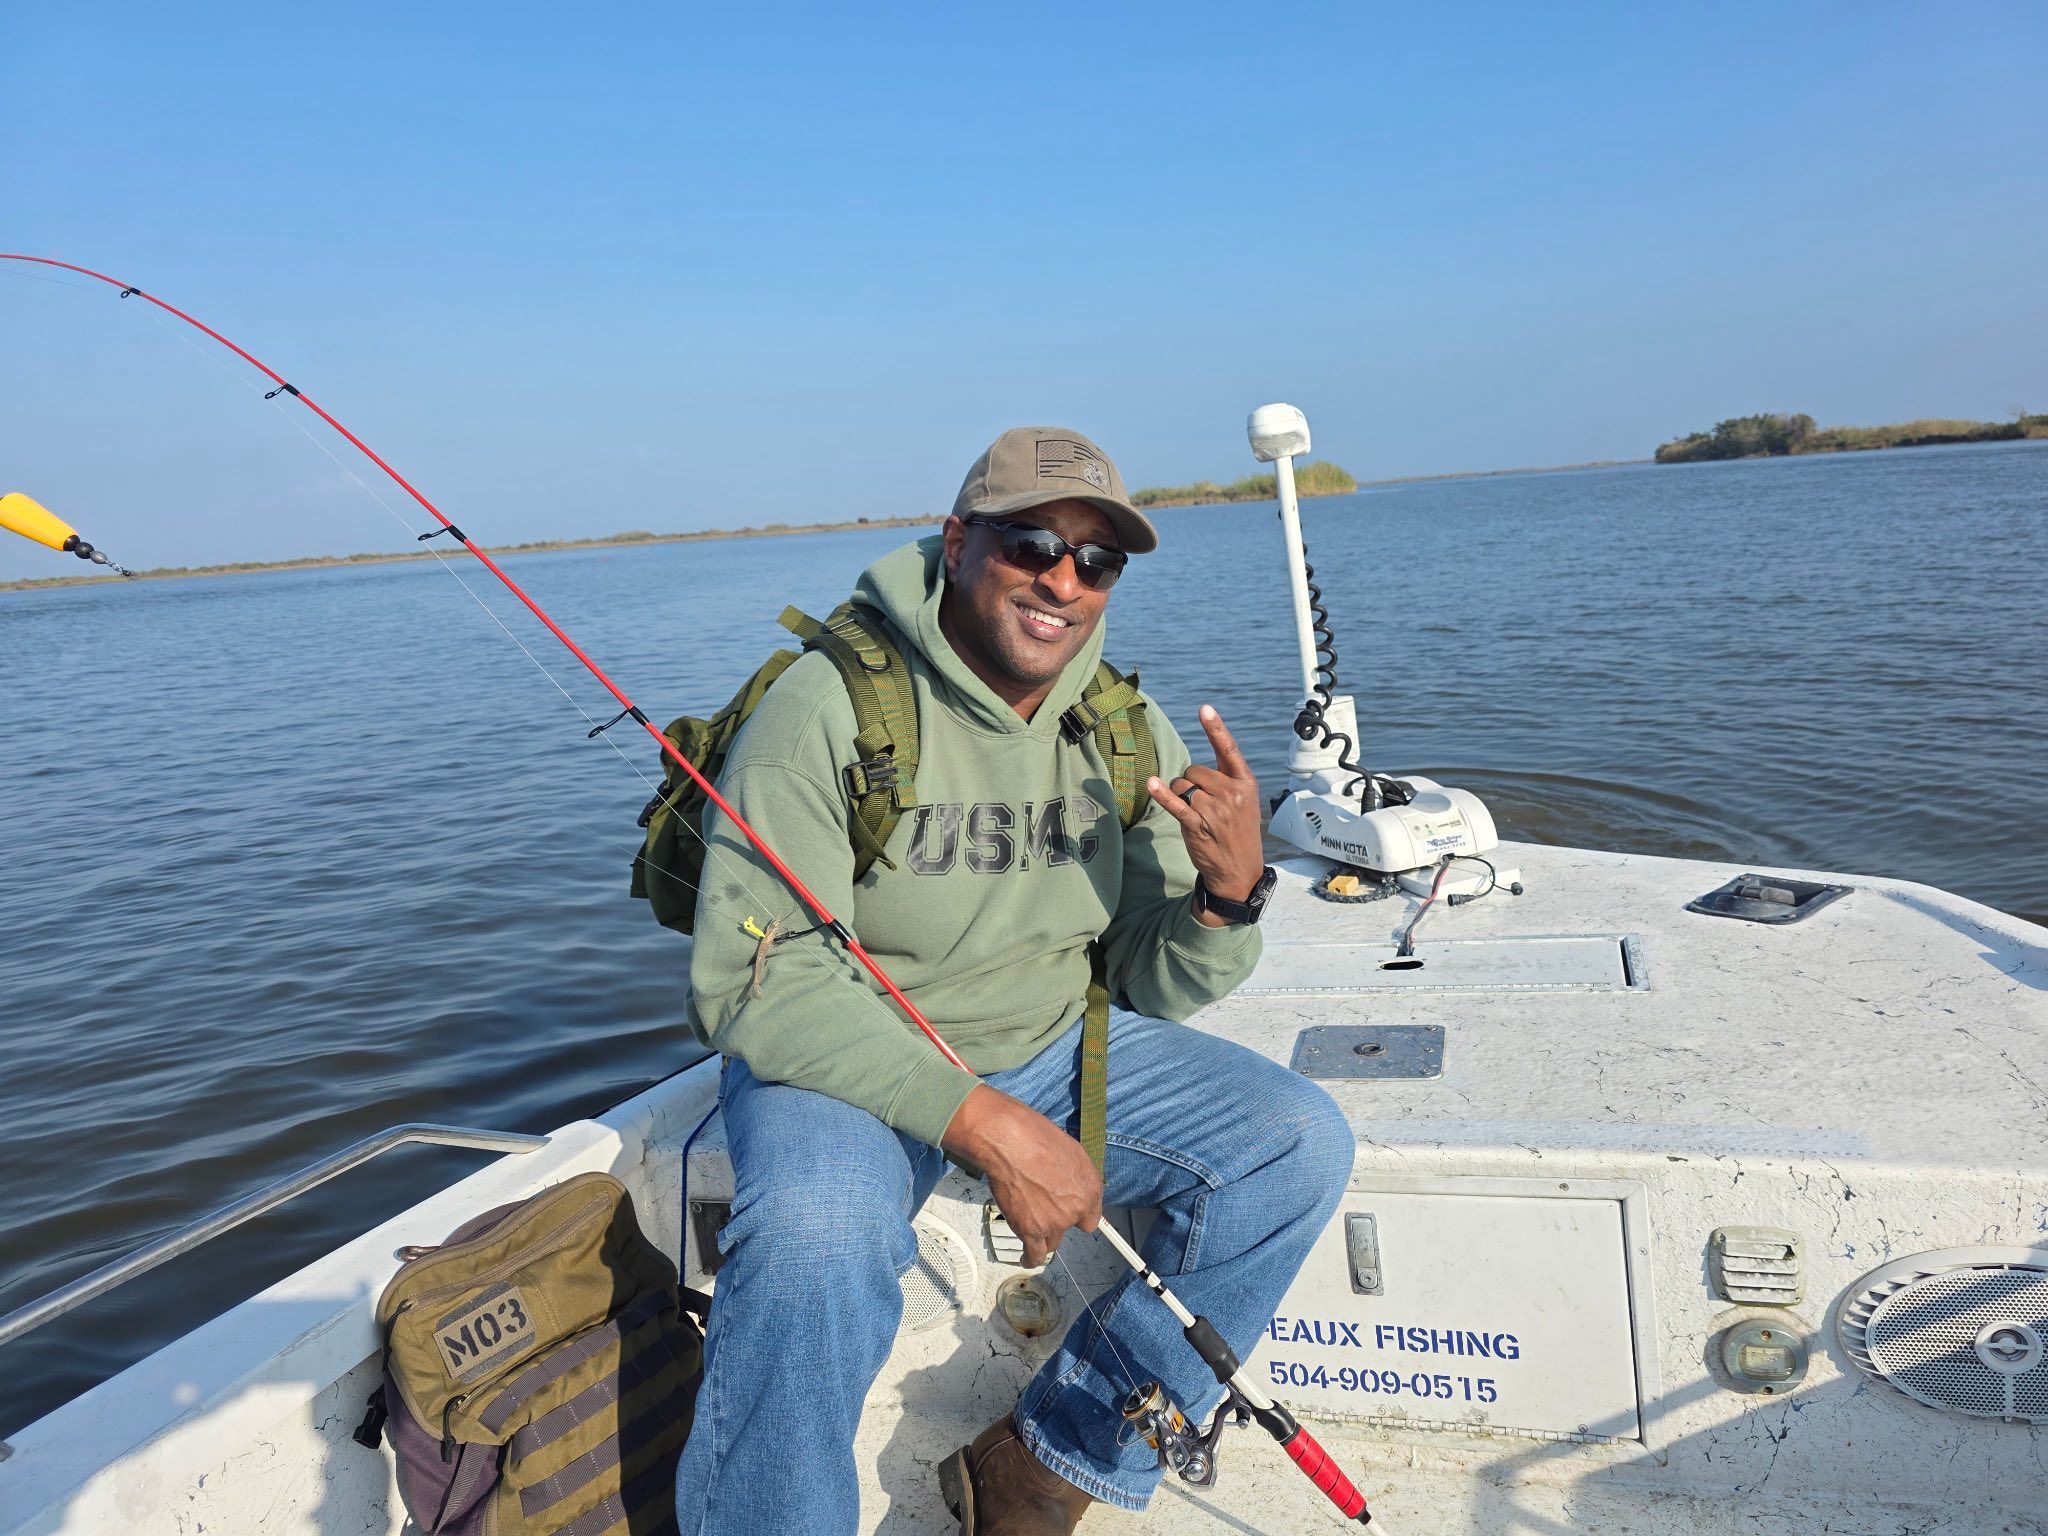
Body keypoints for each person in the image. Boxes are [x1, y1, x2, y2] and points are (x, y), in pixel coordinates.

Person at [674, 427, 1354, 1535]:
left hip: (1046, 1045)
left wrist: (1226, 898)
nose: (1062, 581)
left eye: (1097, 560)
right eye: (1030, 544)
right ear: (957, 543)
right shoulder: (822, 709)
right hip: (845, 1067)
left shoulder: (1120, 726)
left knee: (1295, 1145)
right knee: (811, 1243)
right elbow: (753, 986)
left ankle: (1044, 1466)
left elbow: (1147, 980)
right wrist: (982, 1122)